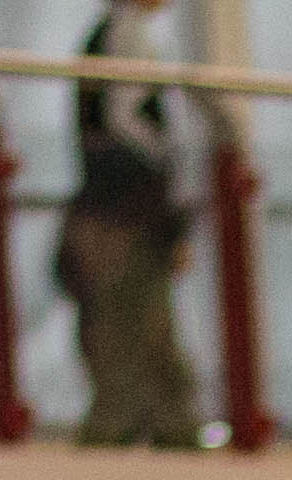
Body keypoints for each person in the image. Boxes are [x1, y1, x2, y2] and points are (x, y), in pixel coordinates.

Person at [63, 0, 199, 449]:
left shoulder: (112, 32)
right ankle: (132, 432)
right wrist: (166, 170)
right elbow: (122, 118)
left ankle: (165, 429)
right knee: (129, 328)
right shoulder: (126, 32)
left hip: (117, 206)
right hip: (126, 210)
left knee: (142, 330)